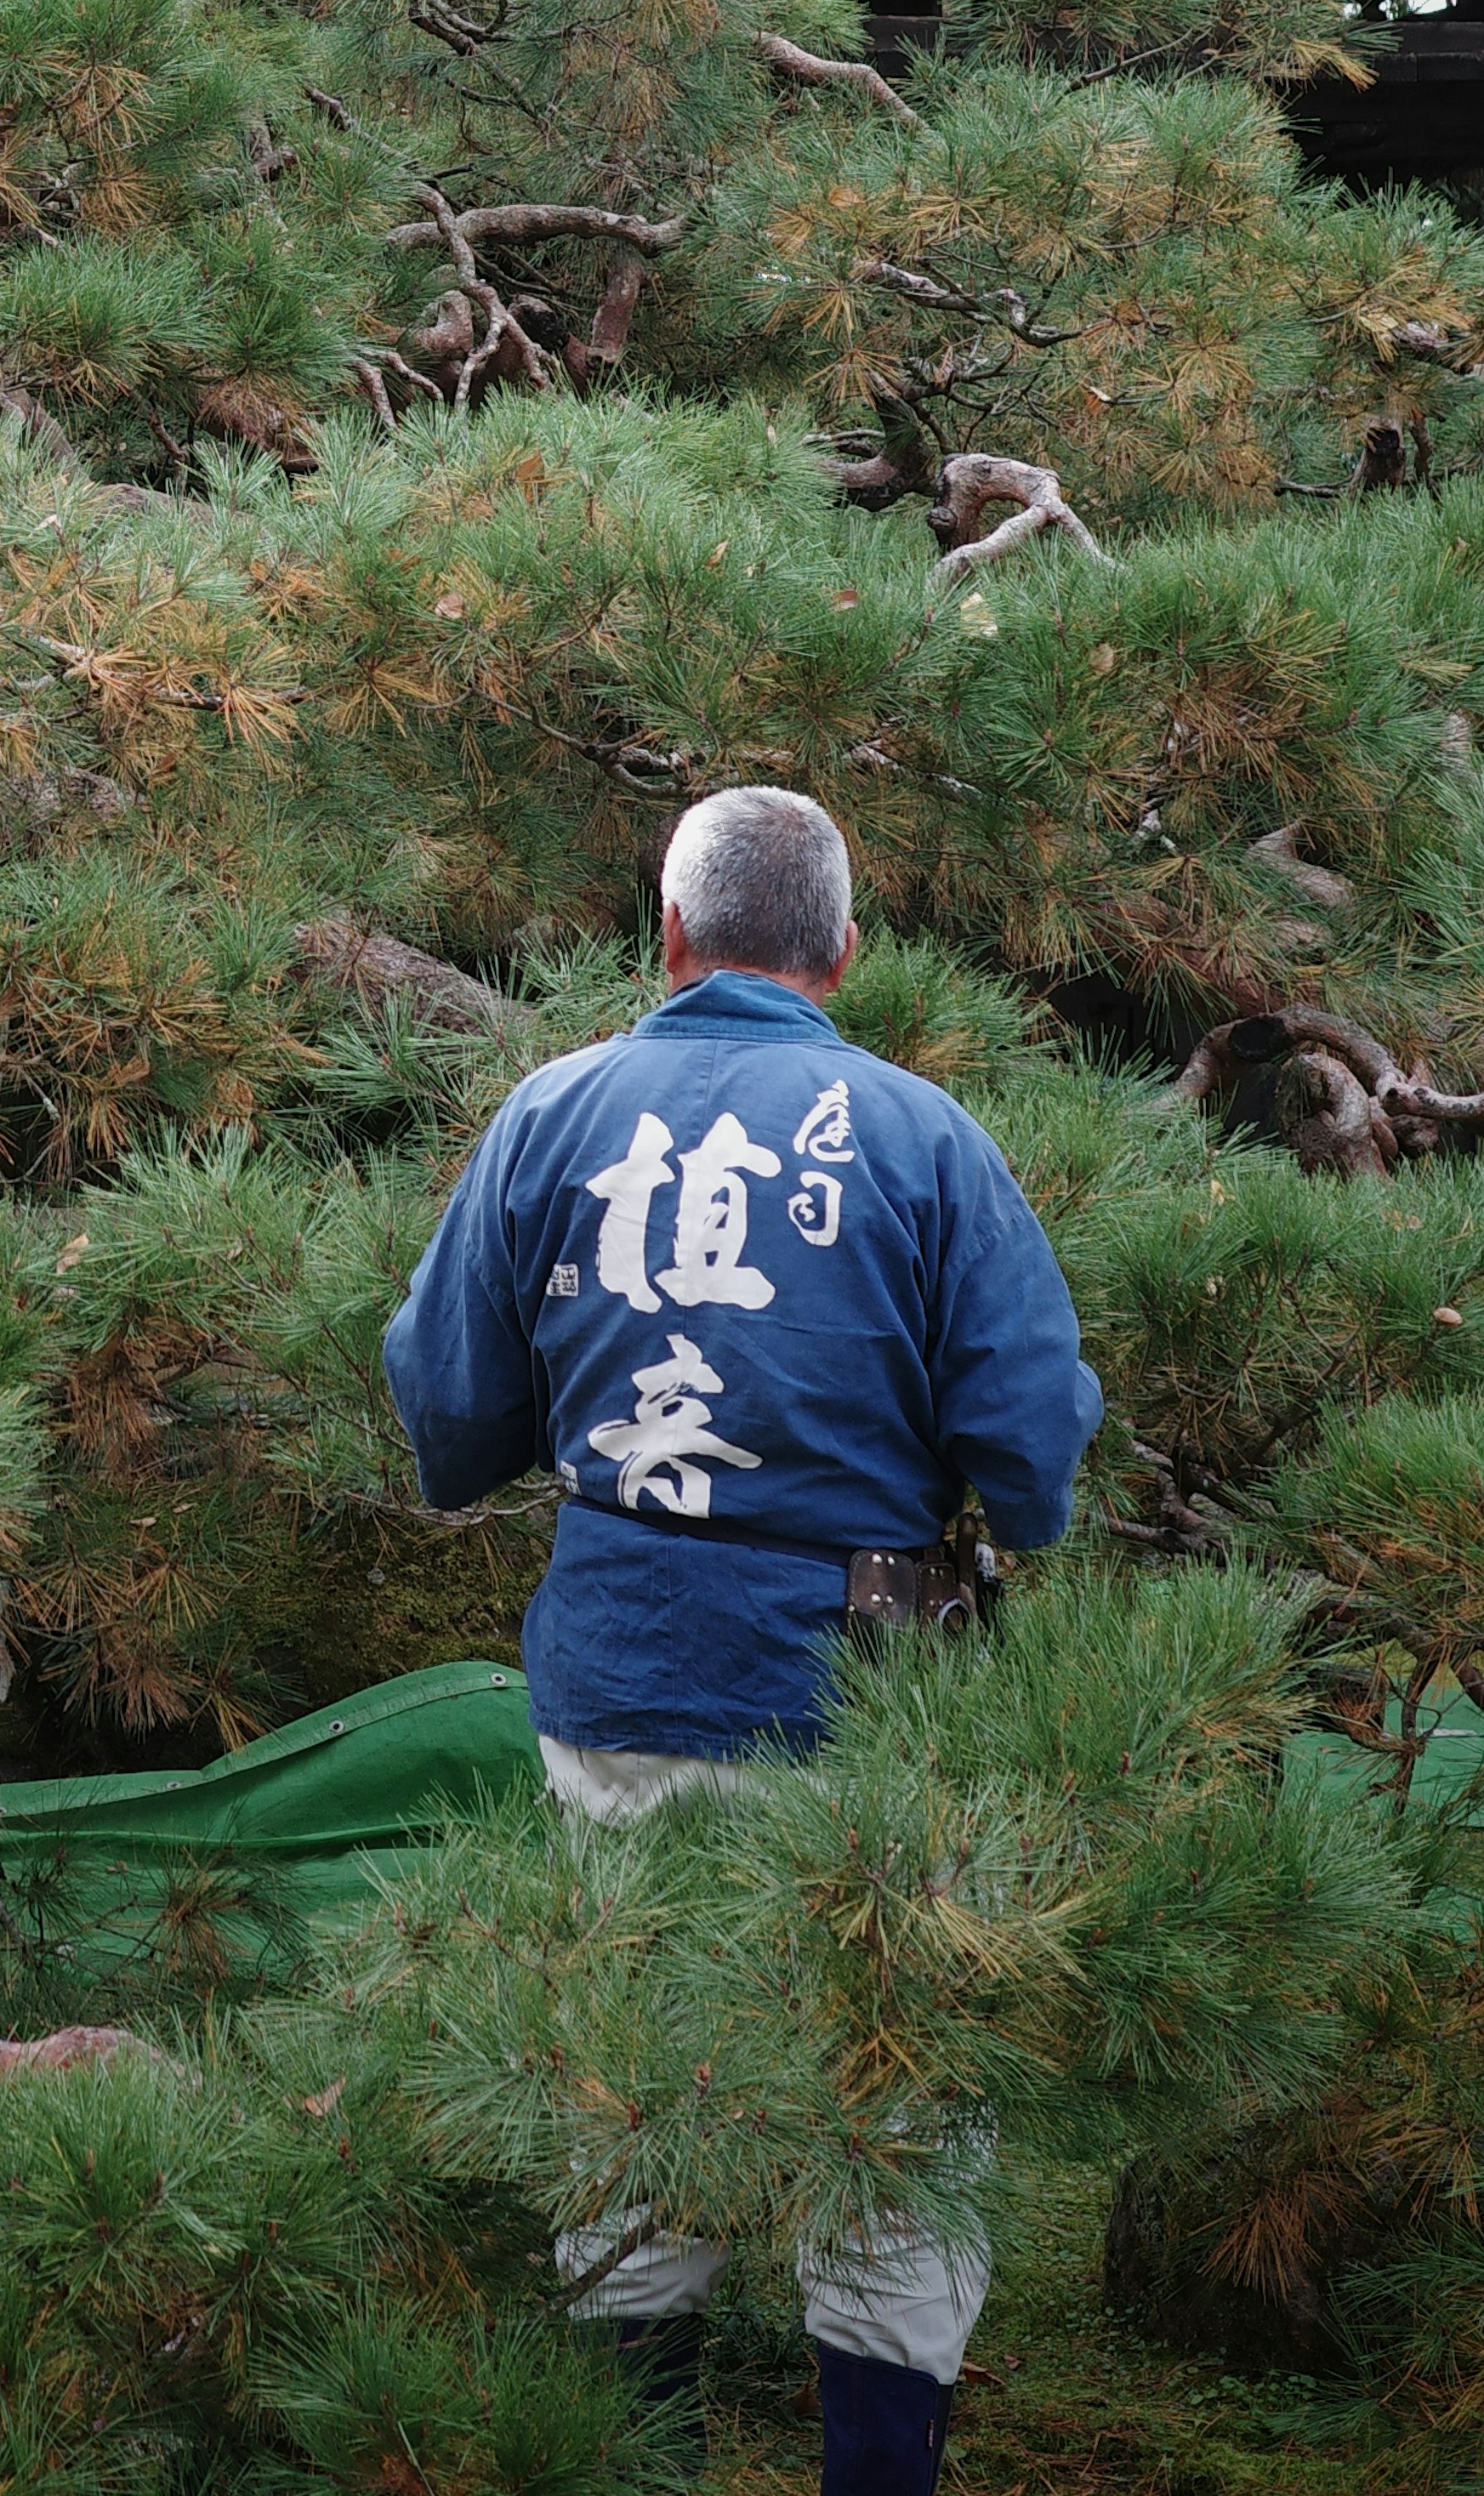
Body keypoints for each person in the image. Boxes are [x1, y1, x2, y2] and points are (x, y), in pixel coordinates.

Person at [379, 785, 1099, 2496]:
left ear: (671, 932)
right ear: (843, 954)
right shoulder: (925, 1139)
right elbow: (1034, 1457)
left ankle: (640, 2456)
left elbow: (447, 1416)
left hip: (622, 1681)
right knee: (896, 2103)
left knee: (638, 2076)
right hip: (867, 1700)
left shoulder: (553, 1114)